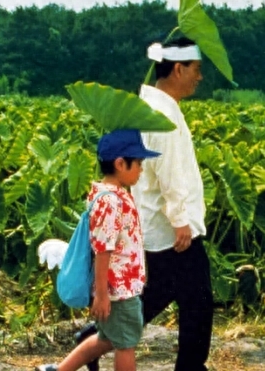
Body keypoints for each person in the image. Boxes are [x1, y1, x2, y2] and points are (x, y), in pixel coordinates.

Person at [77, 36, 214, 371]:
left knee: (155, 299)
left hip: (156, 226)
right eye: (196, 69)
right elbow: (169, 172)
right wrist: (181, 218)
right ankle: (188, 367)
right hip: (170, 230)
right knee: (197, 303)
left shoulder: (153, 106)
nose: (199, 77)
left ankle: (92, 339)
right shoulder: (161, 113)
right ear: (178, 68)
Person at [36, 129, 160, 371]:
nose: (141, 169)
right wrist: (102, 295)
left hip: (116, 288)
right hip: (118, 291)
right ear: (120, 163)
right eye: (138, 163)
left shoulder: (107, 194)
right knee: (126, 344)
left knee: (106, 339)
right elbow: (103, 250)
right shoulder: (110, 201)